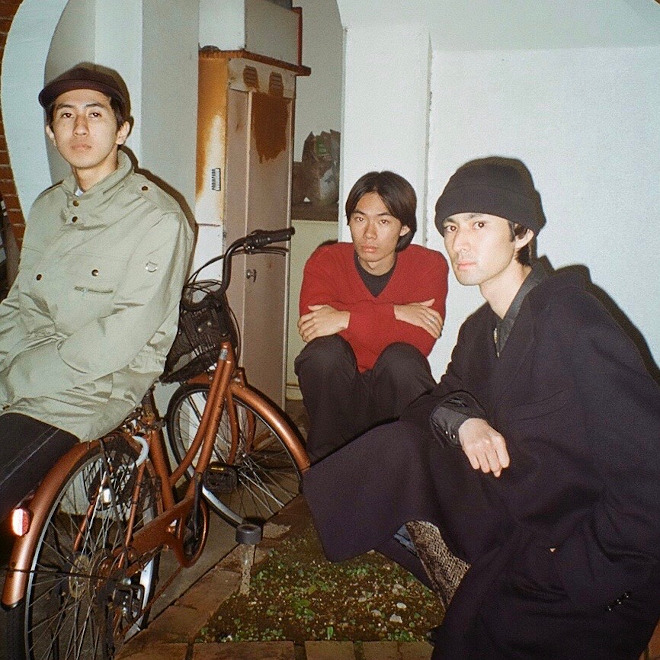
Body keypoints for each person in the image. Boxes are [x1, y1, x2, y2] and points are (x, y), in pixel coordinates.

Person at [303, 158, 660, 658]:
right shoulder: (479, 331)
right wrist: (464, 421)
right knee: (397, 451)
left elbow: (649, 470)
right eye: (451, 227)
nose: (459, 243)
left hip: (594, 566)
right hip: (522, 535)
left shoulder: (573, 320)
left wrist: (580, 570)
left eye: (479, 224)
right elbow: (429, 404)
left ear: (521, 234)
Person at [0, 64, 194, 521]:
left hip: (89, 390)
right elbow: (21, 301)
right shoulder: (48, 207)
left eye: (95, 113)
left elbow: (121, 336)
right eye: (66, 115)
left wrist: (17, 377)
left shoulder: (157, 218)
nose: (80, 127)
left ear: (122, 130)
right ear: (51, 132)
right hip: (24, 373)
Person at [294, 170, 449, 462]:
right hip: (337, 394)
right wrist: (396, 313)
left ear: (404, 227)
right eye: (360, 219)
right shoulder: (326, 260)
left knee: (402, 360)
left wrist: (343, 318)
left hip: (395, 395)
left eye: (384, 221)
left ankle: (405, 467)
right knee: (324, 354)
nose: (369, 234)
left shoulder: (428, 265)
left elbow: (420, 341)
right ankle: (325, 467)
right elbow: (313, 329)